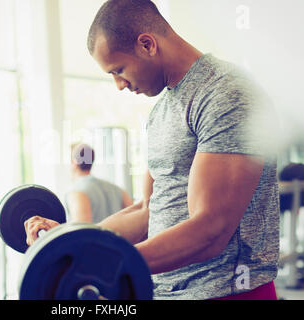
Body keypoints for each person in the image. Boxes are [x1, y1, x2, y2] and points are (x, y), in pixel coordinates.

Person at [25, 0, 280, 300]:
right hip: (162, 292)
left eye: (118, 70)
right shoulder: (161, 111)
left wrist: (104, 261)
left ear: (147, 44)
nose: (119, 85)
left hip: (227, 293)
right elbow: (147, 210)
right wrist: (76, 241)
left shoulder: (227, 94)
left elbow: (211, 230)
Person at [65, 143, 133, 223]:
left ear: (74, 162)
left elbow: (81, 232)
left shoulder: (76, 192)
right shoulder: (117, 189)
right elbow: (133, 219)